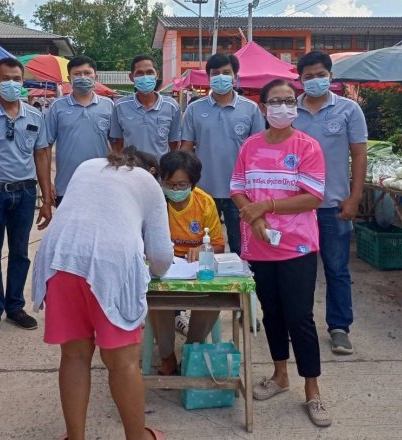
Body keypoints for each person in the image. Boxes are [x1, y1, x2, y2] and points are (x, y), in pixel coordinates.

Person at [31, 147, 171, 440]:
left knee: (73, 356)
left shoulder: (87, 164)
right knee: (123, 362)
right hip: (111, 264)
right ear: (151, 170)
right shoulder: (147, 182)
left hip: (60, 258)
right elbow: (160, 255)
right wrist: (154, 270)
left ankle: (75, 437)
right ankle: (138, 437)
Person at [230, 79, 331, 427]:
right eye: (276, 101)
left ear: (296, 106)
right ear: (263, 106)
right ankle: (279, 374)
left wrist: (266, 207)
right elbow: (238, 189)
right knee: (270, 313)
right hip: (258, 245)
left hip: (297, 245)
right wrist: (252, 216)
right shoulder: (250, 146)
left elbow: (313, 197)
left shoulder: (308, 146)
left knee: (299, 316)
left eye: (289, 100)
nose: (283, 107)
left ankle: (313, 391)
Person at [0, 57, 54, 338]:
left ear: (23, 81)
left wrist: (47, 199)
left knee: (20, 253)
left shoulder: (35, 116)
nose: (12, 84)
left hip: (25, 194)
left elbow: (41, 157)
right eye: (6, 79)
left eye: (17, 79)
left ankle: (15, 307)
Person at [293, 51, 368, 355]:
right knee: (299, 270)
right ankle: (299, 324)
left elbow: (359, 154)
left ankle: (339, 328)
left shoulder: (349, 111)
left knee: (337, 269)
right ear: (300, 80)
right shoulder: (289, 112)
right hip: (296, 208)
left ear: (330, 76)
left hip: (334, 206)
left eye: (319, 74)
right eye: (308, 76)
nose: (314, 80)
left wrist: (355, 197)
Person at [180, 53, 265, 256]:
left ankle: (241, 287)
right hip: (203, 191)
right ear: (209, 78)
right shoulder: (194, 109)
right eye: (215, 73)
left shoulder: (251, 109)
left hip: (240, 193)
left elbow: (259, 153)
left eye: (226, 73)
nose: (221, 77)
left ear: (235, 77)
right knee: (203, 247)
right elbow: (186, 148)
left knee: (240, 248)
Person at [150, 150, 223, 376]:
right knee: (156, 297)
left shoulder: (204, 202)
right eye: (169, 184)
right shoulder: (155, 202)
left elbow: (219, 244)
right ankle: (167, 356)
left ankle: (192, 348)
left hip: (194, 269)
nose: (175, 190)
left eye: (181, 185)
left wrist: (202, 248)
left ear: (192, 183)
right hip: (165, 267)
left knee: (215, 297)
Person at [46, 56, 114, 207]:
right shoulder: (57, 107)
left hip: (102, 185)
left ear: (95, 77)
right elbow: (46, 148)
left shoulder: (109, 106)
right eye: (77, 74)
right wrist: (47, 183)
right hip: (66, 186)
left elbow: (117, 145)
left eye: (87, 73)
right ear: (69, 78)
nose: (82, 77)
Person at [109, 54, 181, 159]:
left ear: (157, 74)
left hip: (160, 172)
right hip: (130, 171)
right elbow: (118, 143)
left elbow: (174, 144)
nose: (145, 77)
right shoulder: (120, 106)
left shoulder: (172, 106)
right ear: (131, 77)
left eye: (150, 72)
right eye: (139, 73)